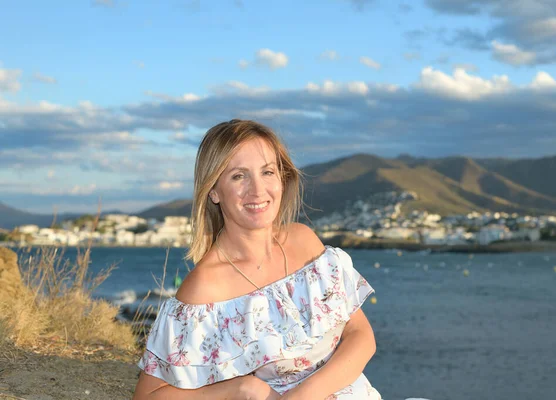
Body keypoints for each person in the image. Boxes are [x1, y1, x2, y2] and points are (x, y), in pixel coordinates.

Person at [133, 119, 382, 399]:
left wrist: (302, 396)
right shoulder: (206, 288)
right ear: (213, 191)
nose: (258, 190)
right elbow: (149, 396)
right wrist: (240, 388)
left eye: (267, 172)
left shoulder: (304, 242)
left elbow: (361, 335)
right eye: (239, 176)